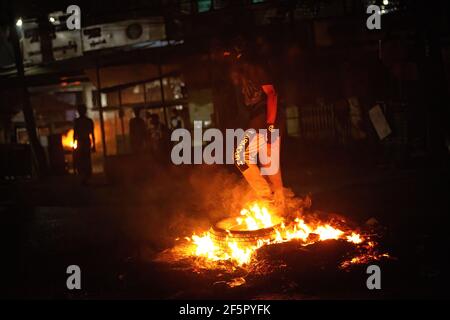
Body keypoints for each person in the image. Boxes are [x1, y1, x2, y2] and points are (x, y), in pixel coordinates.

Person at [227, 38, 286, 211]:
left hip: (265, 120)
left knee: (240, 156)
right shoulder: (244, 77)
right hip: (263, 120)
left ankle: (267, 197)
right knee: (270, 164)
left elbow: (272, 96)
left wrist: (269, 126)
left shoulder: (255, 69)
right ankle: (280, 209)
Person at [73, 104, 95, 184]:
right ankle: (85, 176)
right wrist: (94, 145)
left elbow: (75, 133)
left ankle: (84, 176)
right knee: (85, 160)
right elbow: (91, 133)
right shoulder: (88, 121)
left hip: (82, 142)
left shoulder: (78, 121)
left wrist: (74, 144)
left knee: (83, 160)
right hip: (84, 142)